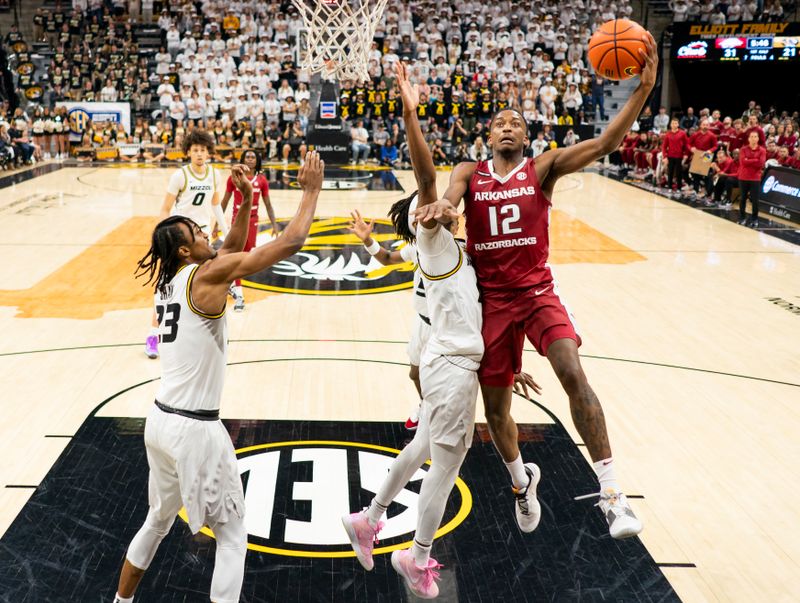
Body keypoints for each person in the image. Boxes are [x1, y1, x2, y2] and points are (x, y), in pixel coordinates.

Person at [415, 32, 660, 541]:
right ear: (489, 133)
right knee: (497, 411)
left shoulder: (542, 167)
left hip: (537, 293)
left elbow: (605, 144)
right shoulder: (469, 170)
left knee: (573, 372)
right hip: (492, 304)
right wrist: (443, 208)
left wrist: (641, 91)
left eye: (517, 123)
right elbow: (452, 199)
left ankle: (612, 495)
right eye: (500, 122)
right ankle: (521, 481)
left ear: (526, 138)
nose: (508, 127)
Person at [114, 154, 324, 603]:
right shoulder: (206, 275)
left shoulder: (170, 281)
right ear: (186, 251)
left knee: (156, 520)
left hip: (159, 422)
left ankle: (121, 601)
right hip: (195, 429)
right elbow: (290, 242)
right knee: (232, 537)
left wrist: (245, 203)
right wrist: (309, 192)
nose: (206, 231)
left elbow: (227, 244)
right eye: (196, 232)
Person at [341, 61, 487, 599]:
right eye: (432, 204)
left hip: (448, 357)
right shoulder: (432, 238)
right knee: (446, 467)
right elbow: (429, 176)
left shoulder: (451, 245)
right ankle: (416, 557)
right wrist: (409, 110)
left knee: (426, 444)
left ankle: (370, 518)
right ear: (423, 215)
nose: (446, 203)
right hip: (445, 360)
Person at [144, 130, 229, 359]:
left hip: (202, 239)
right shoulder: (180, 176)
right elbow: (165, 208)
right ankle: (153, 335)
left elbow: (216, 205)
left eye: (203, 150)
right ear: (188, 152)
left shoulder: (214, 175)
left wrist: (225, 229)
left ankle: (198, 334)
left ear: (208, 151)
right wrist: (164, 237)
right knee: (166, 286)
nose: (199, 154)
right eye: (195, 150)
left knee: (201, 284)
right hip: (181, 238)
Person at [220, 149, 280, 311]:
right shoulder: (233, 178)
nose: (250, 159)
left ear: (257, 160)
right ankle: (239, 295)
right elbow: (224, 202)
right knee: (236, 256)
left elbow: (268, 204)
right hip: (237, 221)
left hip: (253, 222)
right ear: (242, 159)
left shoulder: (261, 180)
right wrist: (216, 224)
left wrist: (274, 225)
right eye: (247, 156)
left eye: (253, 157)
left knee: (245, 256)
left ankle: (229, 284)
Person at [737, 131, 766, 227]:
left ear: (758, 138)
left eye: (755, 137)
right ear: (749, 139)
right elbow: (743, 162)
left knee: (755, 200)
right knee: (742, 199)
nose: (753, 138)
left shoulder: (762, 150)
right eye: (752, 137)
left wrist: (748, 160)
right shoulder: (743, 149)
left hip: (755, 178)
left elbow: (761, 164)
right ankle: (742, 217)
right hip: (743, 177)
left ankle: (754, 219)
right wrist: (755, 160)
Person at [662, 118, 689, 192]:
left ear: (678, 124)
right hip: (670, 156)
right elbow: (664, 146)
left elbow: (686, 145)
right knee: (670, 172)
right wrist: (664, 157)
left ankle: (679, 188)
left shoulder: (682, 133)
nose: (674, 125)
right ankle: (670, 187)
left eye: (675, 123)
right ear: (670, 124)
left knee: (678, 173)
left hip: (679, 156)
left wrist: (686, 154)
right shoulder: (668, 134)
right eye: (672, 123)